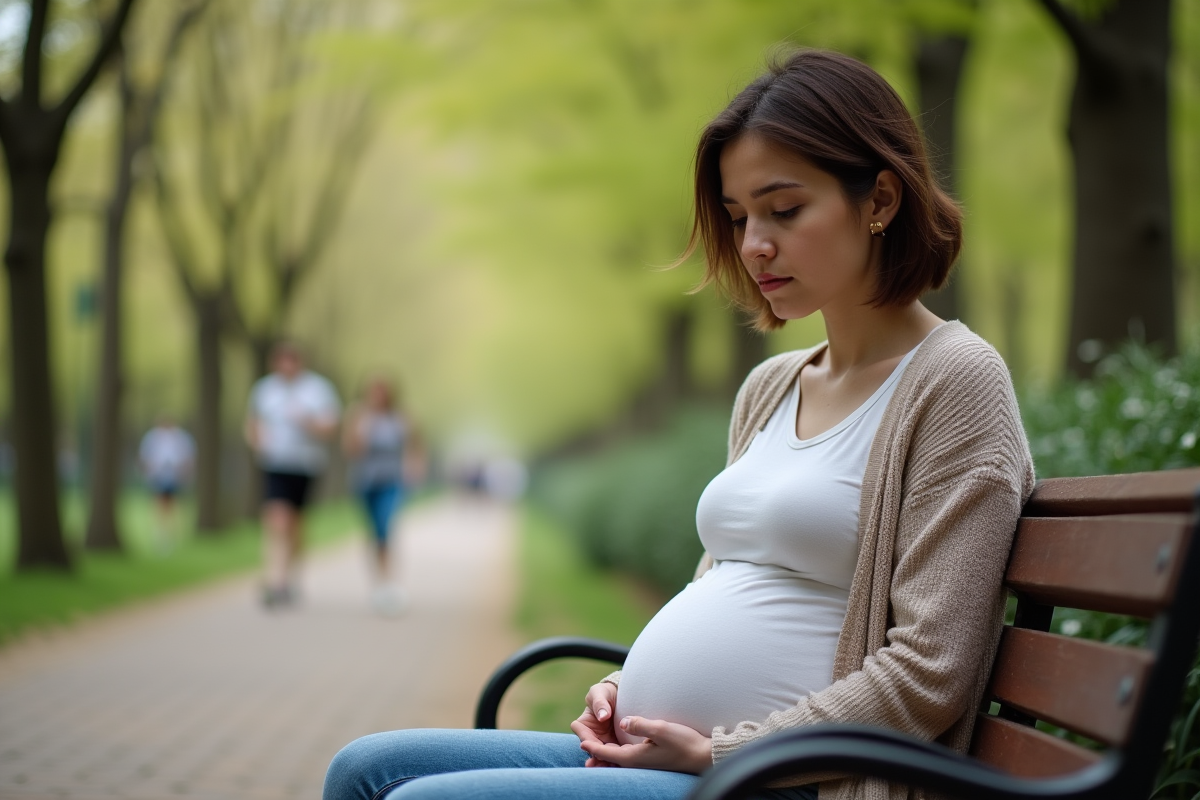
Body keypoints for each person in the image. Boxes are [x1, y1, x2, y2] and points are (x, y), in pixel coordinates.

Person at [324, 50, 1034, 800]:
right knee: (365, 769)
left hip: (784, 781)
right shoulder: (771, 385)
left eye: (784, 210)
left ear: (880, 200)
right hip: (682, 760)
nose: (753, 242)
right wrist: (624, 681)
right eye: (738, 218)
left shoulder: (956, 382)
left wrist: (726, 753)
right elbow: (724, 578)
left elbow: (930, 673)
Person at [245, 342, 341, 608]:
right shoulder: (264, 389)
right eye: (282, 360)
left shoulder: (318, 389)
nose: (287, 365)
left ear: (300, 362)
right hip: (275, 463)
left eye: (292, 360)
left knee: (296, 524)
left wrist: (307, 422)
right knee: (277, 519)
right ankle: (276, 581)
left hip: (307, 464)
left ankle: (291, 575)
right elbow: (252, 423)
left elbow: (331, 427)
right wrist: (257, 441)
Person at [342, 377, 423, 616]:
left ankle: (389, 582)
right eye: (373, 391)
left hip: (392, 480)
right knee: (374, 531)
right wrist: (361, 430)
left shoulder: (402, 417)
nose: (378, 396)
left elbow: (415, 445)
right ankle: (379, 583)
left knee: (387, 525)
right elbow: (350, 449)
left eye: (382, 391)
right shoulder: (358, 415)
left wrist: (414, 467)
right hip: (365, 481)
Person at [138, 416, 195, 552]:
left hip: (174, 476)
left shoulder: (180, 437)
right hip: (158, 475)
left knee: (172, 505)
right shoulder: (152, 437)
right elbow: (144, 457)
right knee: (159, 504)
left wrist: (184, 473)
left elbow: (188, 457)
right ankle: (161, 534)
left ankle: (170, 533)